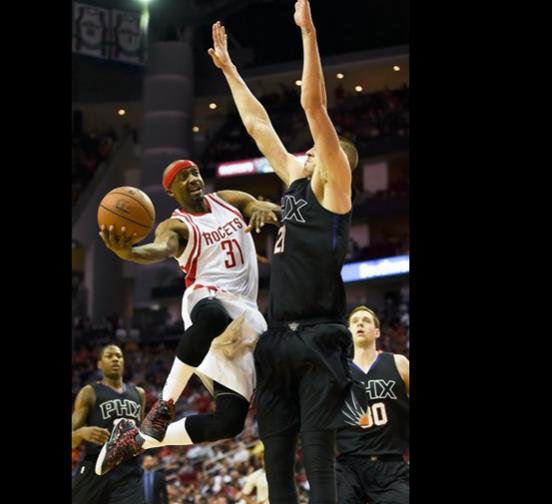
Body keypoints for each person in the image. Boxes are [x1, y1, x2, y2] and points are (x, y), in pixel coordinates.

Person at [208, 1, 360, 500]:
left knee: (319, 463)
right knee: (276, 464)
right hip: (276, 338)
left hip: (320, 337)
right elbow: (258, 127)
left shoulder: (335, 184)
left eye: (317, 148)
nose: (308, 150)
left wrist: (310, 35)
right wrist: (230, 70)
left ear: (336, 157)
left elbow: (313, 108)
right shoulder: (295, 180)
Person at [96, 158, 280, 474]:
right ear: (171, 191)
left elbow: (261, 207)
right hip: (206, 300)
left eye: (194, 172)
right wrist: (129, 254)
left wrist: (266, 209)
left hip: (246, 317)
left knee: (229, 423)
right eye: (183, 177)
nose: (192, 178)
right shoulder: (177, 226)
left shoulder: (228, 200)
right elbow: (158, 249)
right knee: (213, 317)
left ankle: (136, 440)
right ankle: (164, 405)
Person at [336, 306, 410, 503]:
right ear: (349, 331)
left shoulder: (398, 363)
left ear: (377, 332)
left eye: (366, 320)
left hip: (391, 465)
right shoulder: (337, 371)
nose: (360, 323)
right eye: (355, 321)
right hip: (349, 467)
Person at [71, 344, 146, 503]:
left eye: (119, 356)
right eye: (109, 356)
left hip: (129, 471)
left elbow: (143, 433)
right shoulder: (89, 392)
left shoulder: (139, 394)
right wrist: (82, 432)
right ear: (99, 363)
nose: (115, 360)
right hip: (95, 466)